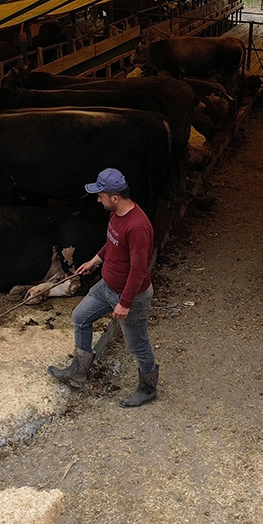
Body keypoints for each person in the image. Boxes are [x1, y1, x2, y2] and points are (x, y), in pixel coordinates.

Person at [48, 168, 159, 408]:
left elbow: (139, 270)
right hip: (107, 286)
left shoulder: (138, 227)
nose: (98, 200)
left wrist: (125, 302)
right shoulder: (116, 214)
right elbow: (112, 243)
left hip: (131, 294)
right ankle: (79, 370)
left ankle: (148, 387)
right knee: (80, 316)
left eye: (101, 195)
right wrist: (95, 261)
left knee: (137, 345)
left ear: (115, 197)